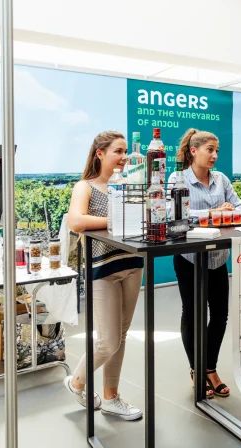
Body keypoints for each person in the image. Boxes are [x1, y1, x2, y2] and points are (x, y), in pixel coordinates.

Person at [65, 131, 144, 421]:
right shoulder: (85, 187)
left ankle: (111, 397)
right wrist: (117, 220)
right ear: (100, 153)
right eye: (118, 151)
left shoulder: (133, 184)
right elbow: (76, 221)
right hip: (103, 268)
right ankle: (77, 381)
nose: (124, 157)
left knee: (120, 337)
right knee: (108, 341)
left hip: (133, 264)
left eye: (126, 152)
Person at [169, 128, 241, 398]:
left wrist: (235, 211)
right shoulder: (178, 179)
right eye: (209, 150)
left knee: (220, 316)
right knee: (193, 315)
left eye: (216, 151)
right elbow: (174, 215)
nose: (214, 155)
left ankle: (210, 368)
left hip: (217, 259)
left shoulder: (221, 180)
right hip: (190, 260)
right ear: (193, 151)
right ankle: (196, 369)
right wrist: (213, 213)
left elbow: (238, 206)